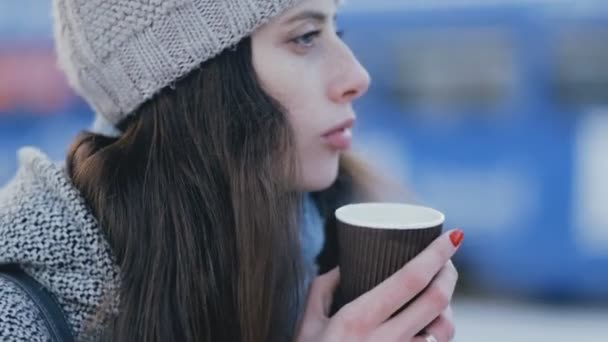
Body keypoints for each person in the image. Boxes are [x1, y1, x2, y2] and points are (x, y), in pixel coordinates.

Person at [0, 0, 463, 341]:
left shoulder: (323, 261)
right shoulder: (19, 315)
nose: (357, 76)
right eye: (305, 36)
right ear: (198, 82)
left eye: (335, 31)